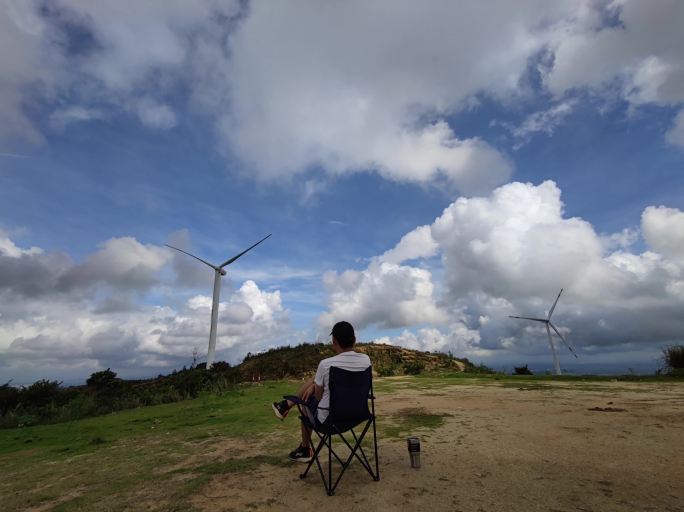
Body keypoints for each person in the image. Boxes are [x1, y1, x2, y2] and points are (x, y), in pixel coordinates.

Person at [272, 321, 371, 462]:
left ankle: (305, 448)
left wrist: (314, 385)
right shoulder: (366, 361)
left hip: (329, 421)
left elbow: (318, 397)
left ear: (334, 341)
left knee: (305, 404)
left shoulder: (325, 364)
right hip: (358, 415)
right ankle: (286, 405)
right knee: (316, 381)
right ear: (354, 340)